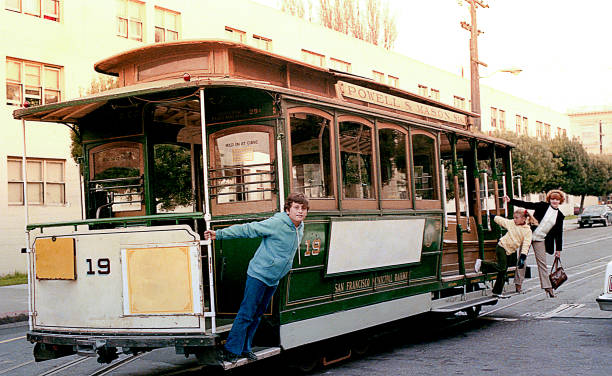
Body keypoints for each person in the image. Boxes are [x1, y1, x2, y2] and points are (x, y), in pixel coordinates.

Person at [204, 193, 309, 363]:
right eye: (296, 207)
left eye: (303, 209)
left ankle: (245, 349)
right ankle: (231, 350)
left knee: (258, 314)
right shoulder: (277, 223)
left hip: (273, 278)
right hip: (259, 274)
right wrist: (220, 234)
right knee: (247, 312)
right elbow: (249, 229)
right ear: (288, 209)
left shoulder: (300, 227)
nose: (300, 211)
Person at [503, 189, 565, 298]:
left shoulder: (560, 216)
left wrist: (558, 250)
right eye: (552, 199)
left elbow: (558, 234)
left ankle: (548, 288)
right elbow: (527, 204)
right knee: (522, 259)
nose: (554, 201)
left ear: (560, 201)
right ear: (549, 199)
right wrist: (510, 201)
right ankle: (518, 284)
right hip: (529, 235)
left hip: (541, 239)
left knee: (542, 263)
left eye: (557, 200)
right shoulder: (542, 206)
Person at [474, 209, 537, 297]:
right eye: (514, 218)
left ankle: (497, 292)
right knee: (502, 267)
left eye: (516, 218)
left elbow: (526, 244)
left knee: (503, 271)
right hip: (502, 247)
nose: (514, 220)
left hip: (509, 251)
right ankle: (481, 263)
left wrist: (523, 257)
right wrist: (493, 217)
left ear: (523, 219)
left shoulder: (527, 231)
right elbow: (502, 221)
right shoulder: (511, 223)